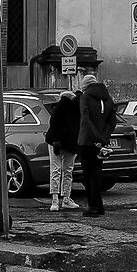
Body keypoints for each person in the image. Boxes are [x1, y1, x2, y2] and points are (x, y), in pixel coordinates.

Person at [75, 72, 115, 217]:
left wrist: (95, 138)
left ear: (85, 85)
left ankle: (92, 206)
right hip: (101, 143)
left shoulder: (85, 96)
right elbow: (112, 121)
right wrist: (103, 138)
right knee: (97, 174)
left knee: (88, 175)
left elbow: (85, 120)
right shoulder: (108, 98)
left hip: (86, 141)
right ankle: (99, 206)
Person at [45, 82, 81, 213]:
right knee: (67, 171)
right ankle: (66, 198)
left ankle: (55, 200)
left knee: (56, 170)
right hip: (68, 143)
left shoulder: (60, 106)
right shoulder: (76, 108)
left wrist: (55, 141)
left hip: (57, 142)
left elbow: (53, 123)